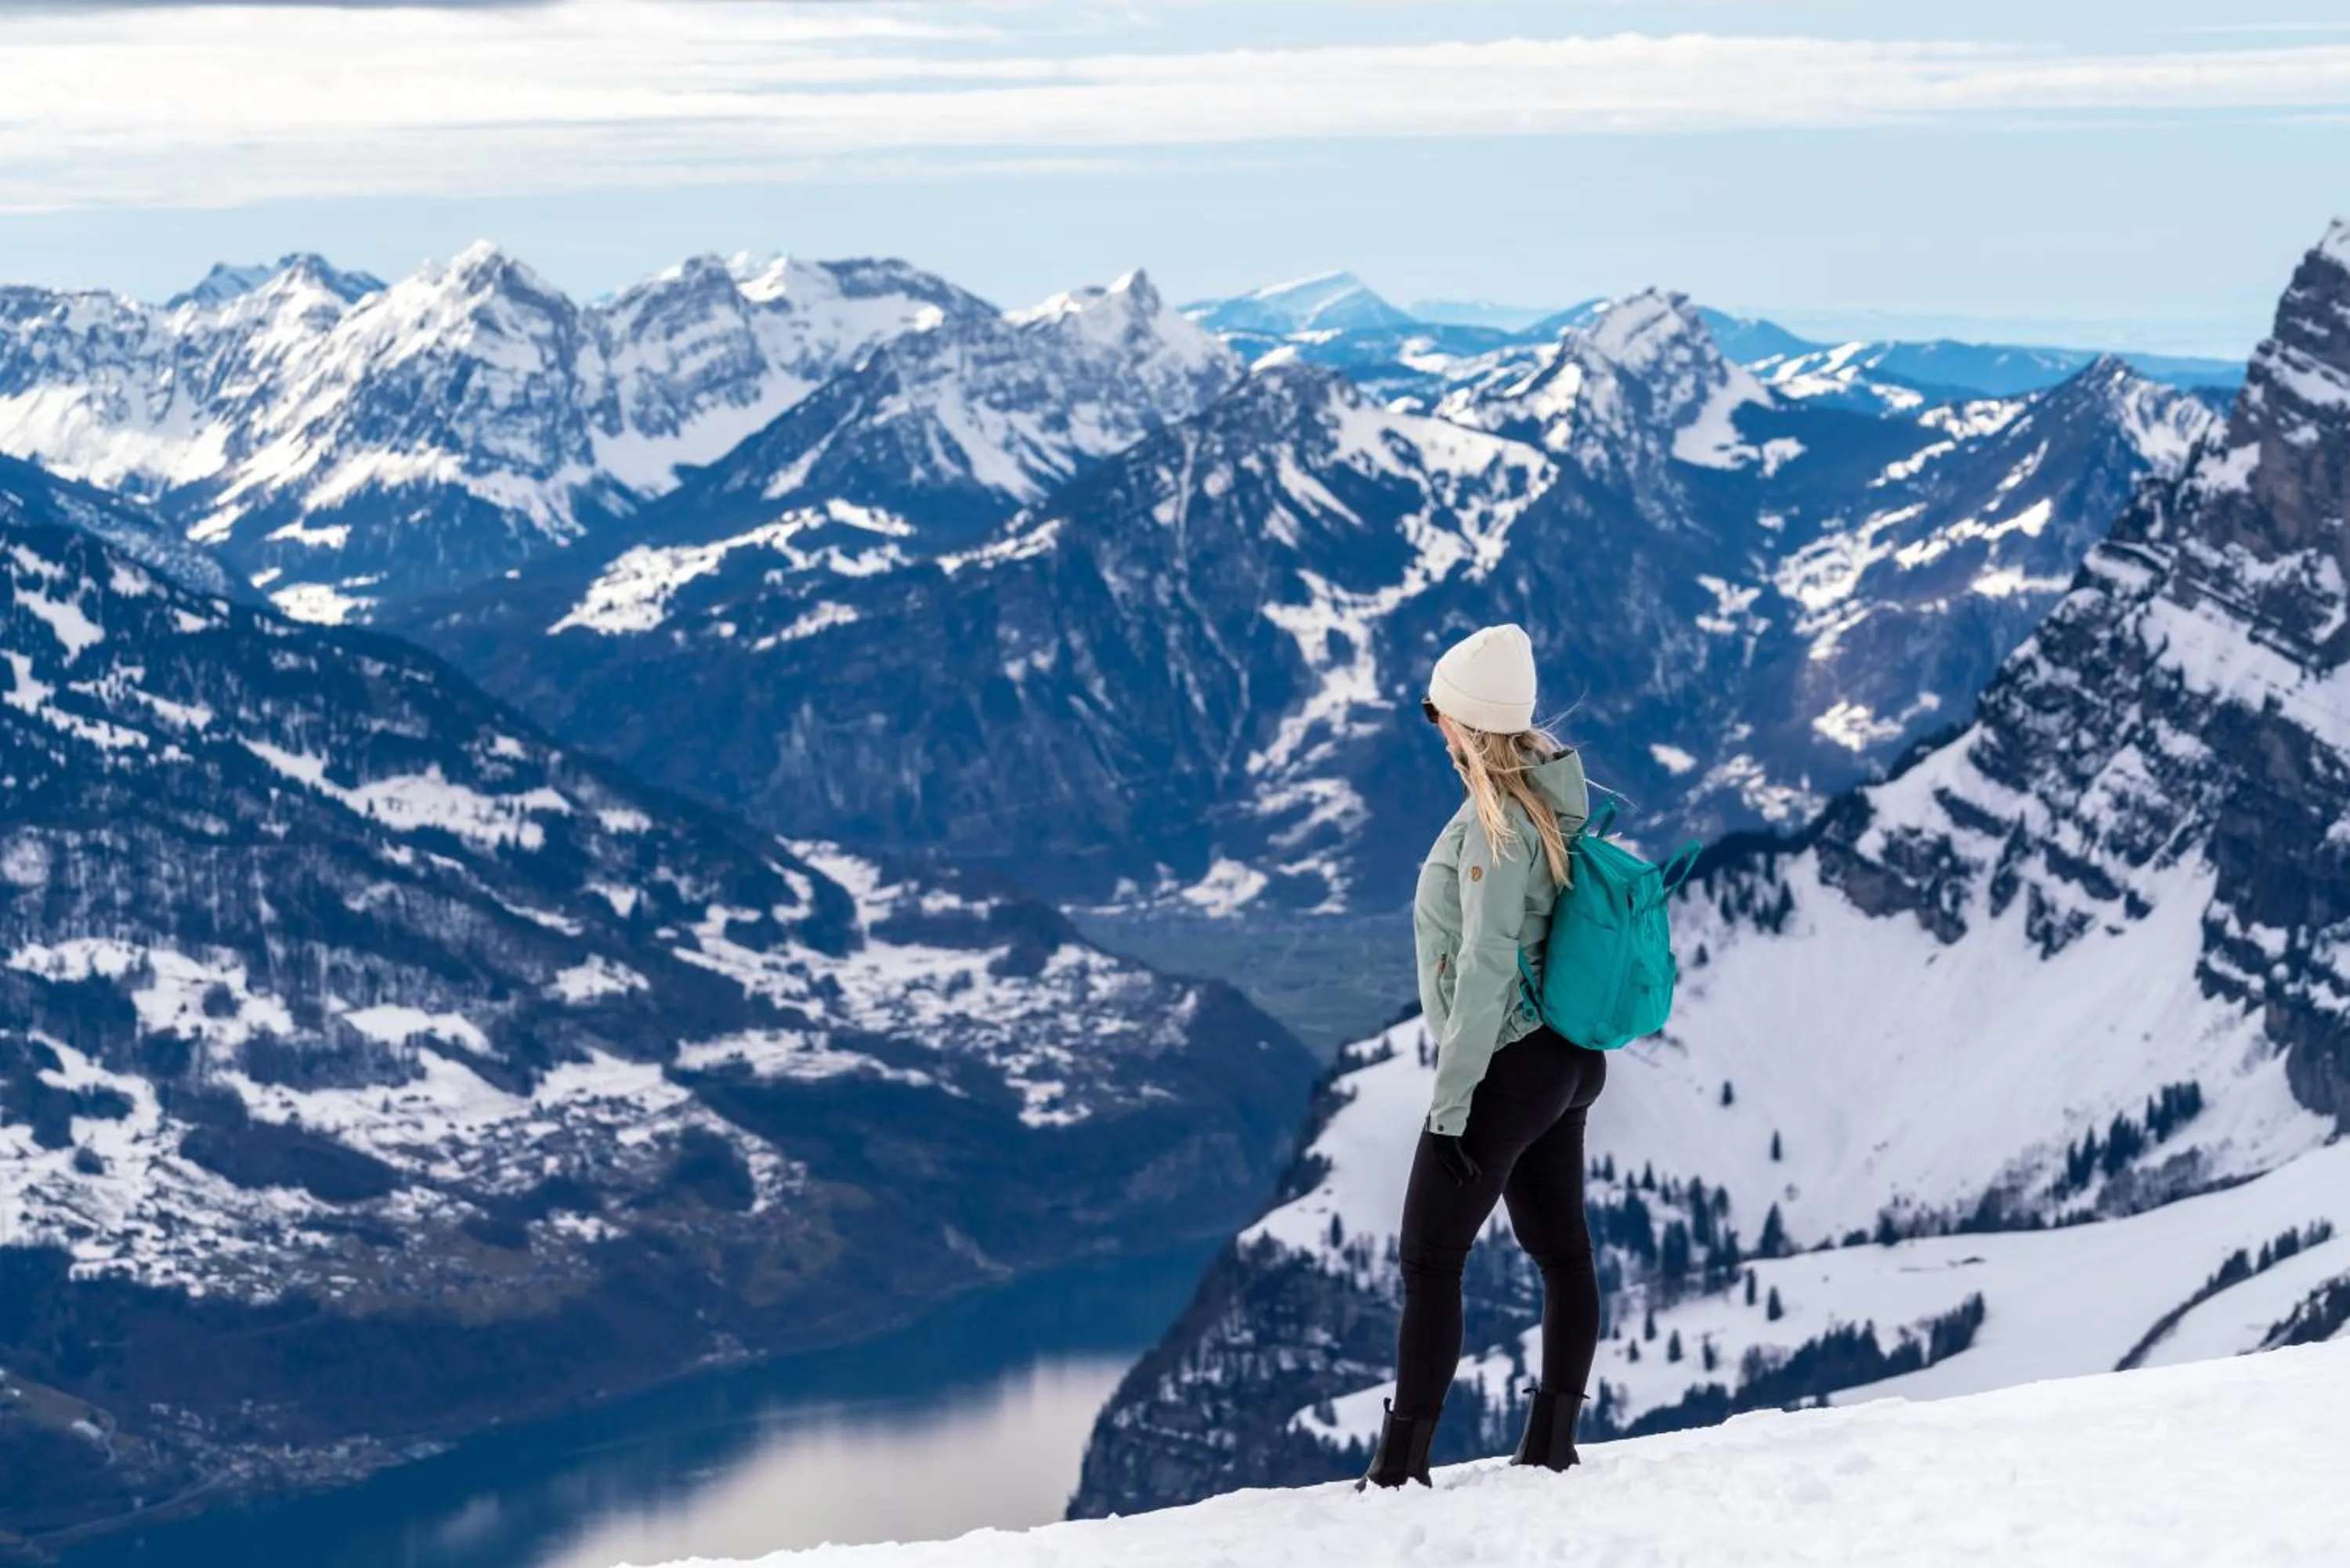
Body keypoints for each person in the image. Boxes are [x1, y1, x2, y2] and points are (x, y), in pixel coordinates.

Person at [1361, 623, 1603, 1490]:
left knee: (1431, 1261)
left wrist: (1452, 1102)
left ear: (1465, 722)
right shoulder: (1554, 794)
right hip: (1568, 1059)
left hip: (1511, 1065)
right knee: (1563, 1253)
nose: (1435, 728)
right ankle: (1550, 1443)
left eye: (1439, 713)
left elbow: (1486, 967)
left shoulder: (1495, 828)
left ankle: (1399, 1468)